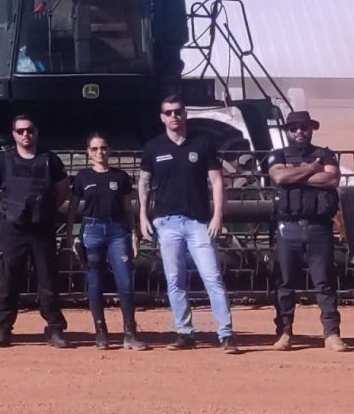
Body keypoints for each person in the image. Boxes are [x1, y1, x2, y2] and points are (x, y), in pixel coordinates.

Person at [138, 96, 237, 353]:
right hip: (166, 223)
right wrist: (143, 216)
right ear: (162, 117)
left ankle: (226, 334)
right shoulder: (153, 147)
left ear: (185, 114)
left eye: (178, 111)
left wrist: (218, 215)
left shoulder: (202, 143)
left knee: (212, 277)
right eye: (168, 112)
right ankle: (184, 332)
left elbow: (217, 181)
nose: (174, 116)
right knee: (175, 280)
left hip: (198, 223)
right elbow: (144, 183)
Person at [0, 113, 73, 348]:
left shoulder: (50, 160)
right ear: (13, 134)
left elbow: (63, 189)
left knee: (48, 281)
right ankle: (3, 329)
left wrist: (49, 209)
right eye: (20, 131)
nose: (26, 134)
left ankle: (54, 329)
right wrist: (4, 212)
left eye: (30, 130)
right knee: (8, 282)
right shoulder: (2, 160)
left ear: (36, 132)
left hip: (42, 229)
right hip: (13, 230)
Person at [265, 110, 345, 351]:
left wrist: (296, 175)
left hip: (319, 226)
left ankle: (331, 333)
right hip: (288, 227)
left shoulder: (325, 154)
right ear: (288, 131)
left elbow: (331, 180)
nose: (299, 131)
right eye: (294, 128)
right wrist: (311, 168)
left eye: (304, 127)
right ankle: (285, 332)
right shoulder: (278, 154)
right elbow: (279, 177)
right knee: (285, 282)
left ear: (312, 129)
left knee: (325, 282)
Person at [72, 134, 147, 351]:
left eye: (103, 148)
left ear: (110, 150)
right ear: (88, 152)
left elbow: (128, 208)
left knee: (125, 282)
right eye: (95, 148)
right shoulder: (83, 177)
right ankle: (100, 332)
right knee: (95, 282)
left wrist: (133, 233)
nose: (100, 152)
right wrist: (72, 234)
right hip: (92, 230)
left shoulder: (120, 177)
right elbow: (73, 209)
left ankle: (130, 333)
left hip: (117, 231)